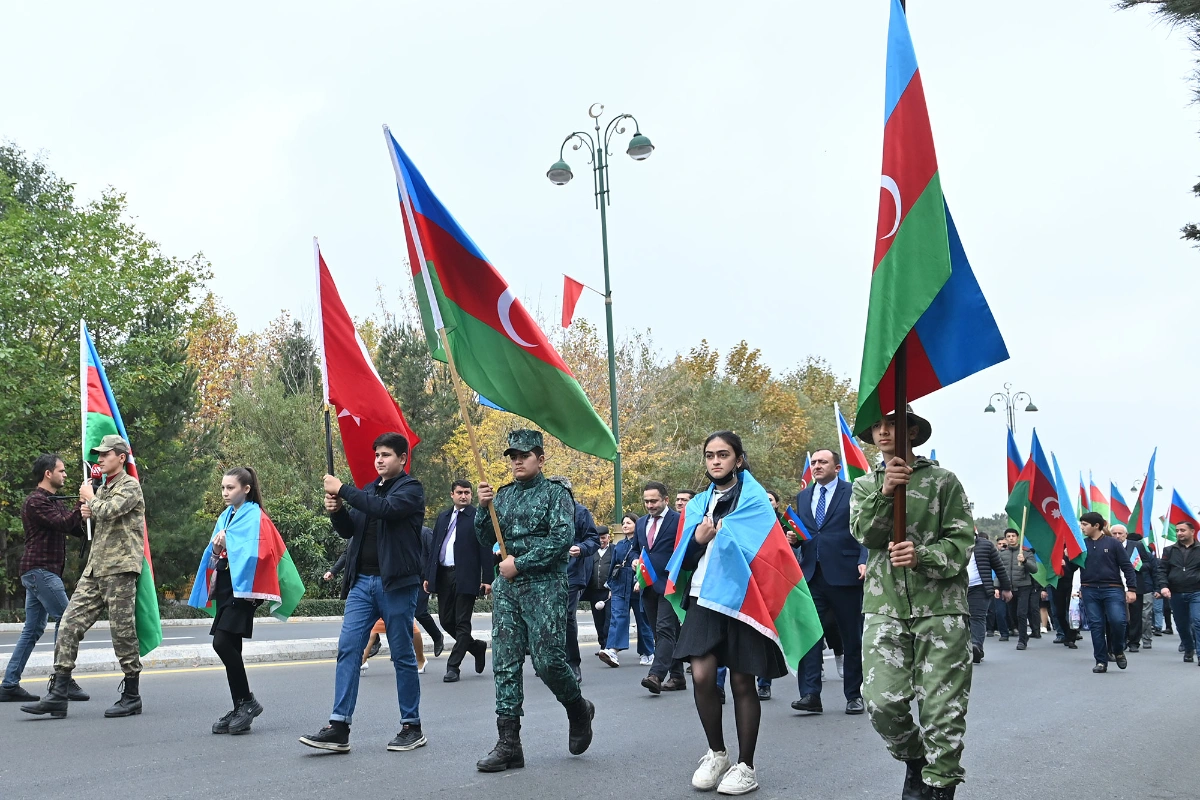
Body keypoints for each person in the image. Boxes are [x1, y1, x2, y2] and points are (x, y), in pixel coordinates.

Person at [850, 406, 974, 799]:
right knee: (880, 701)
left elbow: (962, 543)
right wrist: (886, 494)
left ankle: (940, 784)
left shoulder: (943, 481)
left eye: (893, 424)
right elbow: (865, 535)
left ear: (914, 431)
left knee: (942, 708)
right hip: (884, 607)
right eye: (877, 426)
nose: (883, 432)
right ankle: (915, 759)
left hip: (940, 608)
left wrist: (923, 556)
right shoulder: (865, 486)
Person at [673, 431, 794, 796]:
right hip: (703, 598)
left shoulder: (756, 501)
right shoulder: (696, 506)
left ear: (738, 460)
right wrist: (698, 540)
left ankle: (746, 766)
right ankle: (717, 753)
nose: (715, 461)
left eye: (723, 454)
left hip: (744, 601)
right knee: (701, 675)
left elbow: (769, 555)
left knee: (743, 681)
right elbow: (682, 558)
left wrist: (723, 536)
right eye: (709, 455)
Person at [474, 429, 594, 773]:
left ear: (540, 459)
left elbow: (561, 540)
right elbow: (485, 536)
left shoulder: (556, 494)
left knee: (547, 662)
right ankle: (509, 743)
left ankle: (578, 709)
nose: (517, 462)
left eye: (524, 456)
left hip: (544, 585)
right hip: (509, 587)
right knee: (506, 661)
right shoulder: (505, 495)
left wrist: (520, 563)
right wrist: (484, 509)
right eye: (513, 456)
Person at [299, 432, 427, 754]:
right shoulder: (369, 490)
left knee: (401, 655)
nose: (379, 460)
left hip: (395, 584)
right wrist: (337, 509)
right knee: (348, 649)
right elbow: (349, 531)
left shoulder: (411, 490)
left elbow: (384, 510)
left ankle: (411, 726)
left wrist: (343, 489)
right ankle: (339, 726)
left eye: (386, 454)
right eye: (377, 455)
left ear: (402, 458)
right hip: (362, 585)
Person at [22, 436, 147, 720]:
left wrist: (92, 500)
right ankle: (58, 693)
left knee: (122, 632)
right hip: (95, 568)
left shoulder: (130, 486)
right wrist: (86, 511)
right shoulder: (102, 489)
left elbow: (111, 511)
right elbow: (92, 521)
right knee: (68, 624)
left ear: (121, 458)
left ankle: (132, 695)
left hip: (120, 569)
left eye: (105, 455)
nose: (100, 459)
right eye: (98, 455)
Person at [188, 467, 300, 734]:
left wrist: (231, 544)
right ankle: (241, 704)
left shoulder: (255, 516)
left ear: (246, 489)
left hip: (246, 588)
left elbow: (261, 554)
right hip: (227, 585)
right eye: (223, 488)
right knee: (231, 646)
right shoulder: (226, 515)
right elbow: (215, 554)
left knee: (222, 642)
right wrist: (217, 548)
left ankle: (247, 701)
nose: (225, 493)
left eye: (231, 488)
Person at [1, 454, 89, 703]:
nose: (65, 475)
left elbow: (73, 527)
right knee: (68, 618)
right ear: (48, 474)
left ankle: (9, 685)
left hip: (41, 572)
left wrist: (86, 511)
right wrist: (80, 503)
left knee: (33, 629)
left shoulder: (53, 501)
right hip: (40, 571)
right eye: (61, 471)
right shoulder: (36, 502)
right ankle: (63, 680)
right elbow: (63, 523)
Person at [791, 449, 868, 716]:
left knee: (851, 638)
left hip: (846, 574)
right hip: (812, 575)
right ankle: (810, 694)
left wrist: (864, 558)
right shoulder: (803, 496)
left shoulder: (854, 492)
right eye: (813, 462)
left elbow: (865, 530)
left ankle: (854, 695)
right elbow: (808, 533)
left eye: (822, 462)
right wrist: (795, 539)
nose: (816, 466)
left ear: (837, 468)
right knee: (810, 635)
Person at [425, 480, 489, 683]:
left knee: (462, 623)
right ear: (452, 494)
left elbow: (485, 548)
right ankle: (475, 646)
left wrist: (487, 579)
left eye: (467, 493)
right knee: (445, 620)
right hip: (444, 575)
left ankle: (453, 666)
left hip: (466, 576)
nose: (464, 496)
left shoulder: (477, 516)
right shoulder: (443, 517)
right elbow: (435, 547)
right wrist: (429, 575)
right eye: (459, 492)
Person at [636, 481, 686, 694]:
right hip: (647, 585)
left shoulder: (679, 521)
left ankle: (656, 675)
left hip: (671, 584)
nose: (650, 505)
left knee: (665, 628)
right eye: (646, 501)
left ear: (666, 499)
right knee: (660, 631)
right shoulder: (640, 523)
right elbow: (636, 550)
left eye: (654, 500)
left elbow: (686, 549)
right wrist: (633, 561)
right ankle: (677, 676)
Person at [553, 475, 600, 685]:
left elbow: (593, 540)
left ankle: (573, 663)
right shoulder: (545, 512)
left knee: (566, 616)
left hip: (572, 573)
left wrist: (580, 548)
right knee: (548, 617)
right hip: (547, 573)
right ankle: (552, 660)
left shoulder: (581, 512)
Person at [1077, 512, 1138, 674]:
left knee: (1118, 621)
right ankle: (1101, 661)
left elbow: (1127, 567)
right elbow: (1071, 569)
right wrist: (1067, 559)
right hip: (1089, 589)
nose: (1082, 527)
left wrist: (1131, 589)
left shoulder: (1113, 544)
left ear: (1096, 526)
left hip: (1112, 589)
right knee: (1096, 625)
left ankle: (1118, 650)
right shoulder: (1081, 545)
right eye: (1081, 524)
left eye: (1085, 524)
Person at [597, 514, 654, 668]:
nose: (625, 525)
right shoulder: (620, 545)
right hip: (620, 584)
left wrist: (641, 581)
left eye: (629, 522)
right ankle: (612, 651)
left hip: (638, 585)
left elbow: (647, 563)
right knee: (617, 617)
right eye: (623, 523)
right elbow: (613, 566)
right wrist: (610, 585)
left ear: (637, 524)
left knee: (643, 619)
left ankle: (648, 652)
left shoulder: (644, 543)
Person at [1155, 519, 1200, 664]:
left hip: (1196, 592)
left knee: (1197, 621)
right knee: (1181, 624)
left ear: (1192, 532)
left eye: (1183, 530)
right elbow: (1161, 570)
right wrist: (1163, 586)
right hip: (1176, 592)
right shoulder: (1169, 550)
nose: (1179, 533)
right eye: (1178, 530)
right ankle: (1188, 648)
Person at [967, 529, 1011, 664]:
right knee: (961, 620)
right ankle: (965, 647)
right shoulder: (953, 545)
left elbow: (999, 567)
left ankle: (976, 647)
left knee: (977, 617)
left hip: (980, 587)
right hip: (957, 588)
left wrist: (1006, 588)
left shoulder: (986, 545)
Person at [1111, 524, 1156, 653]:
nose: (1117, 536)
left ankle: (1134, 642)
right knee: (1119, 615)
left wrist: (1138, 566)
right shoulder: (1108, 545)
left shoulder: (1137, 545)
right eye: (1114, 533)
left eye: (1120, 534)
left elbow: (1149, 564)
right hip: (1115, 584)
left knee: (1135, 615)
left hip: (1135, 585)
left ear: (1126, 535)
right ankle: (1121, 640)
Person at [996, 529, 1038, 649]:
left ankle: (1022, 641)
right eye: (1008, 536)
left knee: (1021, 613)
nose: (1011, 538)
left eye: (1013, 536)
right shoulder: (1002, 553)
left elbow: (1034, 569)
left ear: (1017, 537)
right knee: (1012, 614)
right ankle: (1023, 634)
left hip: (1024, 586)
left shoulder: (1026, 552)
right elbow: (999, 571)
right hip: (1008, 588)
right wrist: (997, 587)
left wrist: (1024, 561)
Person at [588, 528, 613, 651]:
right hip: (594, 592)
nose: (601, 540)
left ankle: (607, 646)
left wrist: (612, 588)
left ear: (608, 537)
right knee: (598, 620)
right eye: (599, 538)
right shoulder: (591, 552)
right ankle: (602, 644)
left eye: (603, 537)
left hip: (608, 592)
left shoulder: (614, 550)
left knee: (608, 620)